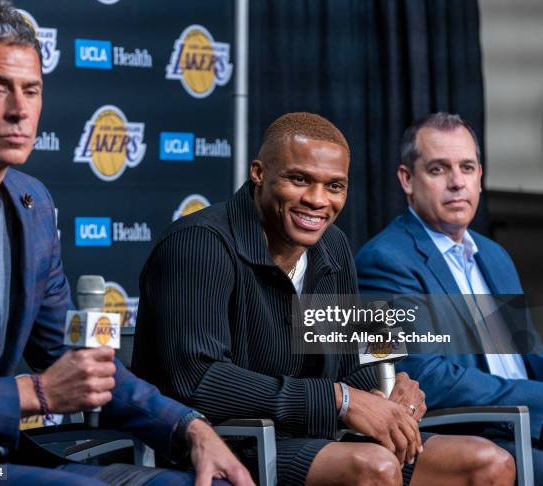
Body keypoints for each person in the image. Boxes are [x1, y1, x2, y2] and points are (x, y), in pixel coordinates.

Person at [0, 1, 254, 485]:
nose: (19, 110)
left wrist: (191, 427)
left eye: (32, 90)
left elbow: (80, 360)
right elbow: (46, 385)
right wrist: (31, 394)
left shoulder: (31, 203)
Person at [133, 111, 516, 485]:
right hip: (225, 440)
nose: (317, 200)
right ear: (258, 173)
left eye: (334, 186)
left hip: (317, 434)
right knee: (377, 468)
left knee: (489, 463)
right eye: (300, 180)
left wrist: (394, 387)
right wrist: (339, 400)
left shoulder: (332, 246)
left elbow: (352, 361)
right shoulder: (198, 244)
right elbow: (199, 381)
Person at [356, 111, 543, 481]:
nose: (458, 182)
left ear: (480, 177)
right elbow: (425, 377)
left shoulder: (495, 255)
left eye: (468, 168)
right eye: (439, 169)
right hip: (471, 436)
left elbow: (527, 356)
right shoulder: (381, 261)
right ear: (407, 179)